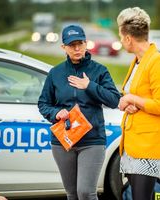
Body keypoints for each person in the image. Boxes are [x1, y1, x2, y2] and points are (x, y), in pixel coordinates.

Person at [38, 24, 120, 200]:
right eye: (71, 45)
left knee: (85, 192)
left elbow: (114, 100)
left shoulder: (99, 71)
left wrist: (89, 85)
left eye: (80, 44)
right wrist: (56, 113)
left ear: (86, 44)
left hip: (92, 141)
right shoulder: (55, 73)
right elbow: (44, 103)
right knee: (72, 194)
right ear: (64, 47)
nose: (76, 48)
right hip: (63, 142)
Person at [117, 7, 160, 200]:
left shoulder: (158, 63)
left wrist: (133, 100)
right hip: (133, 144)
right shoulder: (138, 61)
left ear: (128, 38)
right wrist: (129, 102)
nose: (120, 40)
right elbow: (138, 95)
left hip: (147, 147)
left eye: (120, 35)